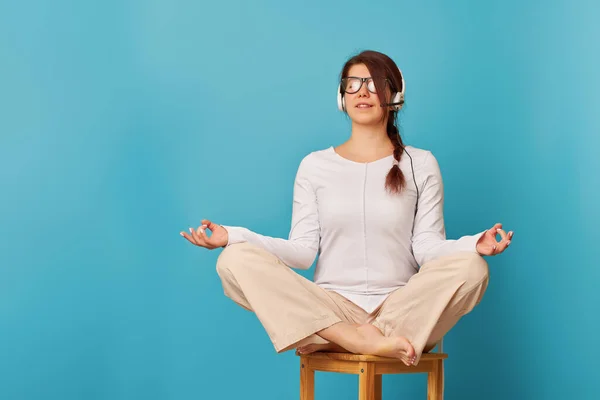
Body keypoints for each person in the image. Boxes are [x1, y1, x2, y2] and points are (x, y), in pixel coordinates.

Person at [180, 50, 514, 367]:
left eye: (374, 83)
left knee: (473, 270)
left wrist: (473, 244)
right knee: (234, 260)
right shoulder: (314, 166)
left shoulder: (421, 164)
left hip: (399, 307)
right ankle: (352, 338)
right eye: (352, 84)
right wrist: (231, 236)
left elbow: (426, 248)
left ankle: (330, 336)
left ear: (395, 96)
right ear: (341, 97)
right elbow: (301, 252)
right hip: (333, 308)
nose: (362, 92)